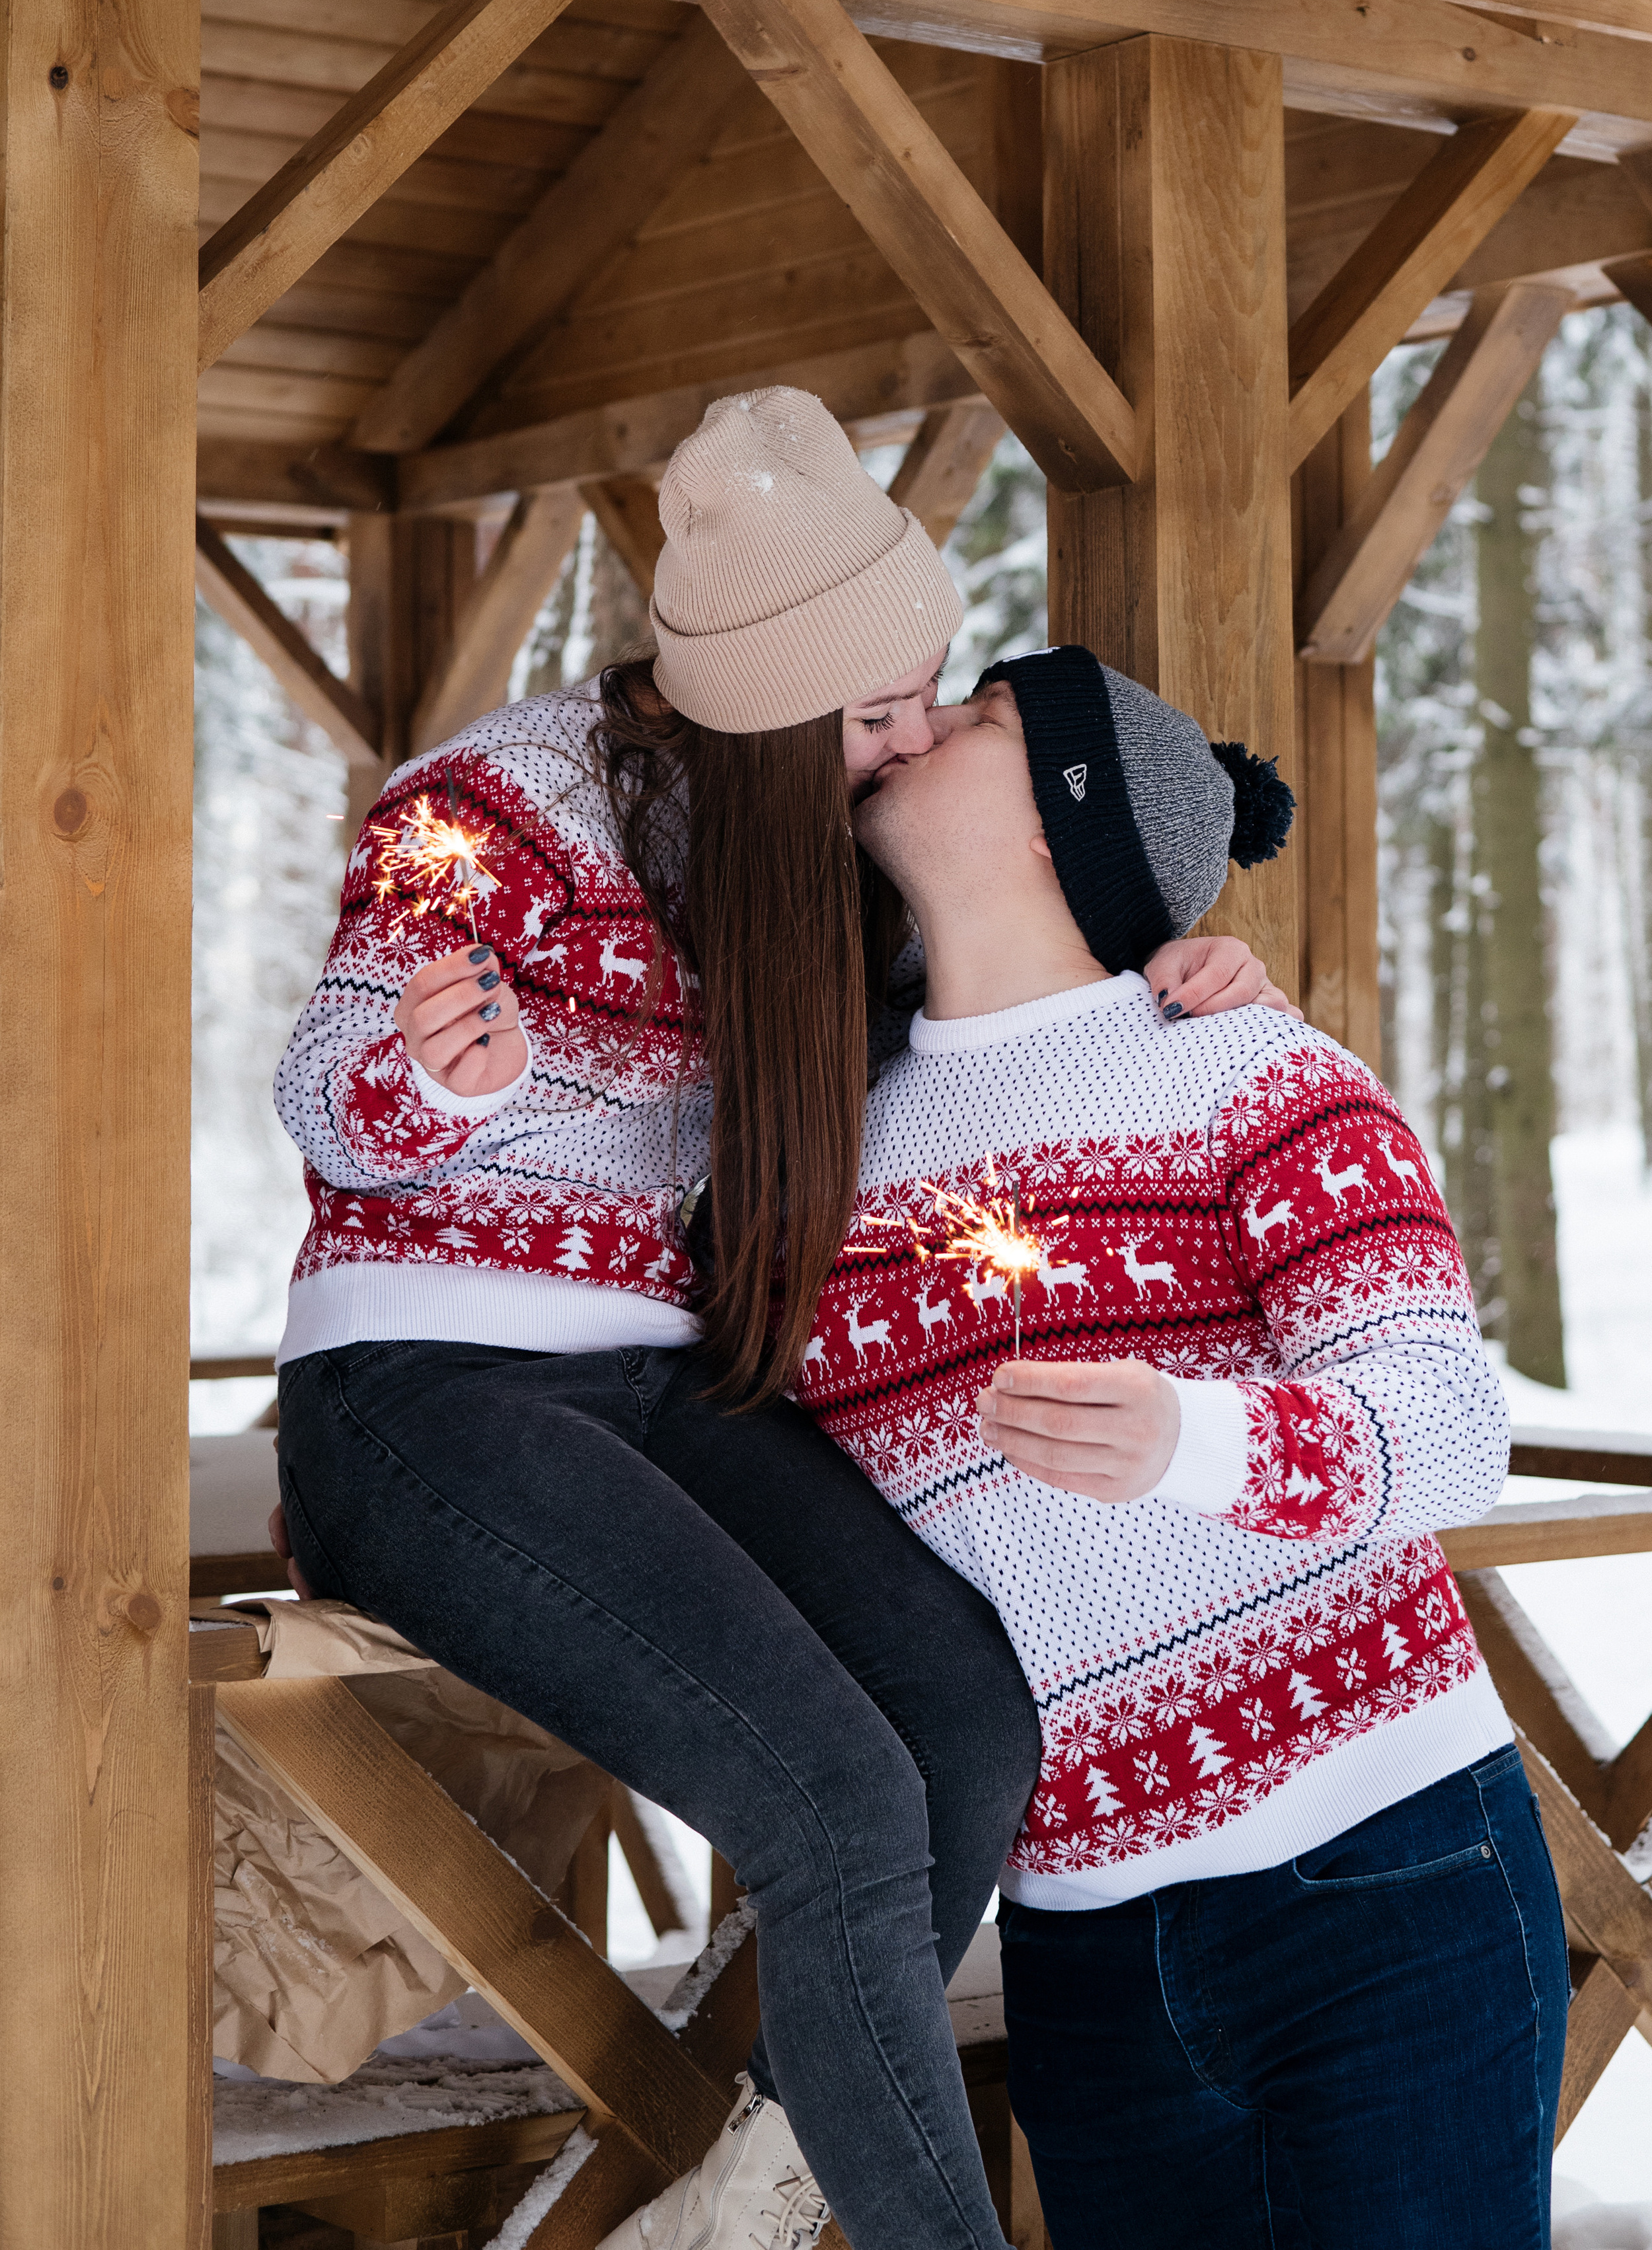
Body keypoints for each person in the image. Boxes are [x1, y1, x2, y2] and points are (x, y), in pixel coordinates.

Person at [268, 393, 1277, 2250]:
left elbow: (1011, 987)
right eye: (874, 710)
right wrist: (432, 1081)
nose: (911, 740)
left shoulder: (821, 843)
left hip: (664, 1387)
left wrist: (1177, 979)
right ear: (752, 700)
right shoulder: (494, 804)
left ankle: (758, 2183)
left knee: (971, 1726)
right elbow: (330, 1077)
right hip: (425, 1391)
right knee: (828, 1799)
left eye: (926, 692)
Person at [798, 645, 1567, 2250]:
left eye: (978, 716)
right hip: (1074, 1944)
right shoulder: (826, 1160)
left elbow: (1446, 1429)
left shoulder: (1251, 1069)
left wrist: (1188, 1441)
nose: (915, 725)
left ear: (1057, 821)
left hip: (1384, 1885)